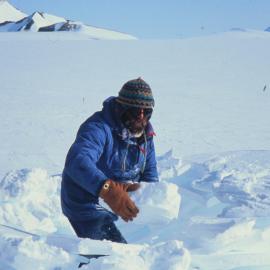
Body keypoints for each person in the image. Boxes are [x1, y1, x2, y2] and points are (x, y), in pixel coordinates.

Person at [61, 78, 159, 244]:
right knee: (114, 258)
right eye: (135, 110)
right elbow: (77, 161)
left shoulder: (145, 135)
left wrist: (151, 200)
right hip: (87, 207)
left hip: (118, 208)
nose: (141, 116)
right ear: (122, 108)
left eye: (146, 111)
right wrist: (108, 189)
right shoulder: (98, 127)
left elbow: (150, 174)